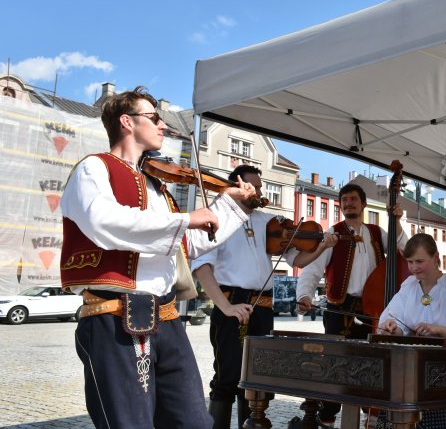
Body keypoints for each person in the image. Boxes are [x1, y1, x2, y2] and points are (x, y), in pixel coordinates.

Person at [60, 87, 260, 429]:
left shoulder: (157, 188)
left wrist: (234, 205)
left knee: (193, 421)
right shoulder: (94, 168)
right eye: (154, 118)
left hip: (166, 317)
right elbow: (103, 222)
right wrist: (187, 218)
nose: (163, 126)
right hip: (117, 315)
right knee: (131, 423)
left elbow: (184, 247)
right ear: (127, 122)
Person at [192, 164, 299, 428]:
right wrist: (225, 306)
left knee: (257, 378)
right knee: (228, 376)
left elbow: (299, 257)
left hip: (262, 307)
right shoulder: (217, 215)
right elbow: (201, 266)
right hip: (233, 304)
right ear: (238, 185)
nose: (259, 191)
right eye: (254, 186)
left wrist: (322, 244)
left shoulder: (266, 220)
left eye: (260, 187)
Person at [293, 182, 408, 427]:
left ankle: (371, 416)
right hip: (339, 307)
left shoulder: (378, 232)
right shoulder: (332, 234)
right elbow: (312, 269)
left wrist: (396, 220)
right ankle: (327, 418)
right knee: (335, 365)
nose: (348, 204)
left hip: (372, 309)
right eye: (344, 200)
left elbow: (403, 250)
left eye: (353, 199)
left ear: (363, 204)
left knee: (371, 365)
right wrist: (304, 295)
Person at [377, 233, 446, 429]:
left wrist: (438, 329)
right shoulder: (408, 287)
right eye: (410, 262)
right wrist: (391, 327)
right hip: (412, 373)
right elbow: (396, 325)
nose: (413, 267)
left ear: (436, 258)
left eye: (420, 261)